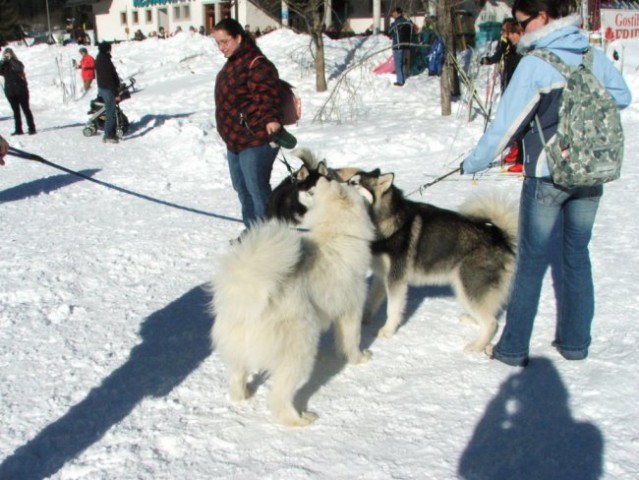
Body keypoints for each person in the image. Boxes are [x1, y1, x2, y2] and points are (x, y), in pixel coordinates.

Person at [461, 0, 631, 367]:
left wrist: (473, 163)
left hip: (547, 174)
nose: (520, 32)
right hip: (590, 171)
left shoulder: (535, 65)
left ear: (542, 16)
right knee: (577, 255)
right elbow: (622, 97)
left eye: (523, 23)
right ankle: (575, 344)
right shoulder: (592, 55)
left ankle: (512, 349)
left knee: (531, 263)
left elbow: (504, 126)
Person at [213, 18, 282, 233]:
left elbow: (267, 94)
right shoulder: (234, 62)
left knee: (257, 190)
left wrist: (271, 119)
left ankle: (269, 240)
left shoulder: (257, 63)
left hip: (255, 139)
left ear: (238, 37)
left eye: (225, 41)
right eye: (218, 43)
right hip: (235, 140)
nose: (221, 47)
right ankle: (253, 234)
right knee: (242, 189)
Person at [481, 19, 525, 172]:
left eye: (504, 31)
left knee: (518, 118)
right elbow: (499, 56)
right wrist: (489, 60)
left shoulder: (520, 46)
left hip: (517, 82)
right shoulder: (506, 43)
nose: (503, 35)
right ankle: (515, 148)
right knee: (509, 117)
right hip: (508, 79)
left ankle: (521, 154)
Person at [0, 48, 36, 136]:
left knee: (26, 109)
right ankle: (18, 129)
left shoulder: (17, 62)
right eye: (5, 54)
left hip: (21, 90)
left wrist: (11, 59)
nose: (7, 56)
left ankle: (31, 128)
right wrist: (3, 61)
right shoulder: (4, 65)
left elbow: (19, 68)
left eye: (8, 54)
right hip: (10, 91)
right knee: (16, 111)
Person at [95, 41, 121, 144]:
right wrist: (116, 94)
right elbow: (109, 78)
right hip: (108, 89)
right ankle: (108, 135)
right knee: (111, 113)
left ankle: (110, 132)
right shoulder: (104, 60)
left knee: (110, 111)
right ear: (107, 49)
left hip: (104, 87)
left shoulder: (100, 58)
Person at [388, 7, 413, 86]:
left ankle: (400, 81)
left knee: (398, 64)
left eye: (394, 13)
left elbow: (389, 32)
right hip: (406, 46)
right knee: (403, 64)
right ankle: (404, 79)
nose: (393, 14)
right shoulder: (408, 23)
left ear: (398, 13)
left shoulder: (396, 23)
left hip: (398, 46)